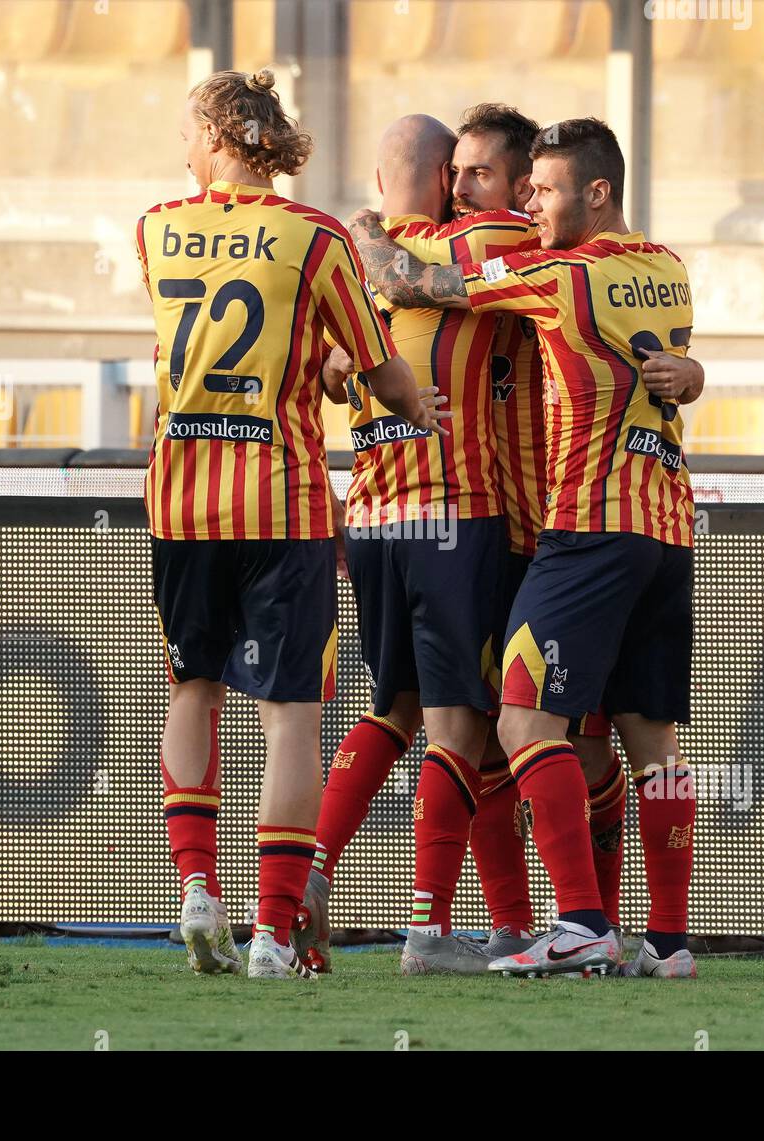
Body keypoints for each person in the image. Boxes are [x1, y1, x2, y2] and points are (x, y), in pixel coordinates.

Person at [348, 116, 699, 979]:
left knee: (517, 714)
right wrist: (694, 376)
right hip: (668, 525)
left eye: (543, 190)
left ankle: (579, 920)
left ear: (598, 192)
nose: (532, 204)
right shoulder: (667, 269)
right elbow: (669, 368)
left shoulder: (556, 274)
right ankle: (669, 940)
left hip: (586, 524)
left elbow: (414, 280)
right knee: (650, 742)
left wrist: (362, 226)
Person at [137, 69, 447, 980]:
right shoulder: (314, 237)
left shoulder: (155, 228)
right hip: (281, 503)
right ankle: (275, 932)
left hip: (182, 500)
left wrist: (321, 365)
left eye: (189, 131)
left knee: (191, 690)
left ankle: (198, 889)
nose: (182, 149)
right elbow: (377, 362)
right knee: (291, 718)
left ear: (218, 135)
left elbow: (217, 348)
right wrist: (414, 407)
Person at [299, 114, 540, 976]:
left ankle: (311, 878)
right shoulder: (486, 235)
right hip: (460, 514)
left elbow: (330, 370)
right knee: (464, 724)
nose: (476, 186)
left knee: (395, 707)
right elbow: (410, 280)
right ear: (443, 175)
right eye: (464, 171)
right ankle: (430, 930)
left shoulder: (345, 259)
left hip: (370, 517)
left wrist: (361, 227)